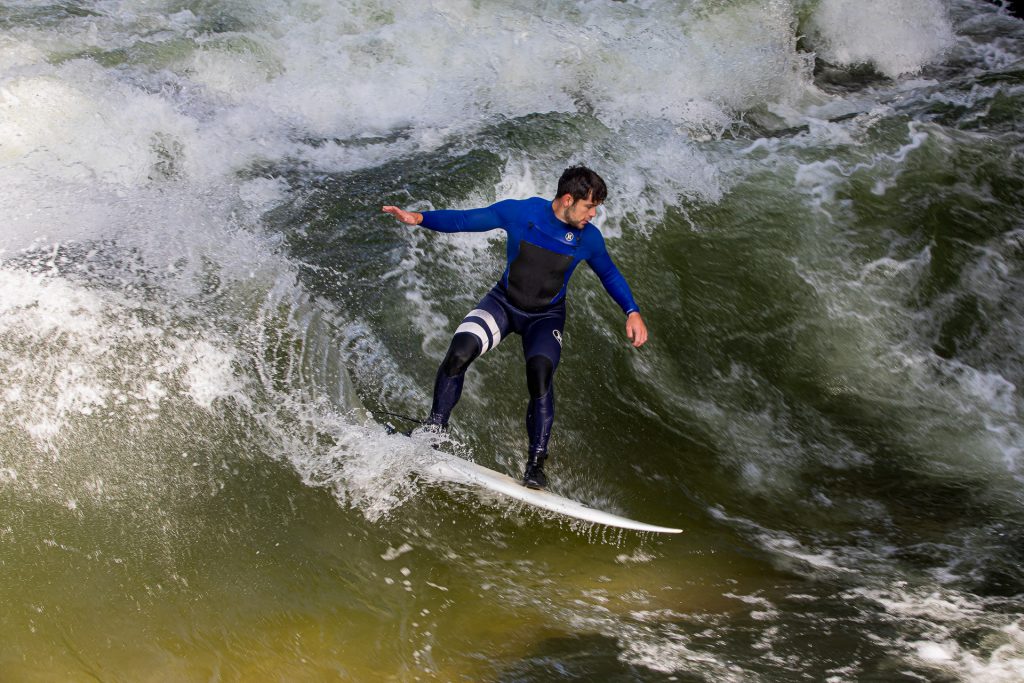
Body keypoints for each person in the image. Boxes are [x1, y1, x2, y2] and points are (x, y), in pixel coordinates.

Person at [382, 165, 648, 489]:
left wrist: (631, 311)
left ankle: (535, 464)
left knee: (539, 376)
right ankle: (435, 429)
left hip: (545, 318)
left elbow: (609, 274)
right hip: (504, 304)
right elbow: (467, 219)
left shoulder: (588, 239)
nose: (593, 214)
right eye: (590, 206)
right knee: (459, 352)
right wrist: (419, 218)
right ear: (568, 199)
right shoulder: (522, 213)